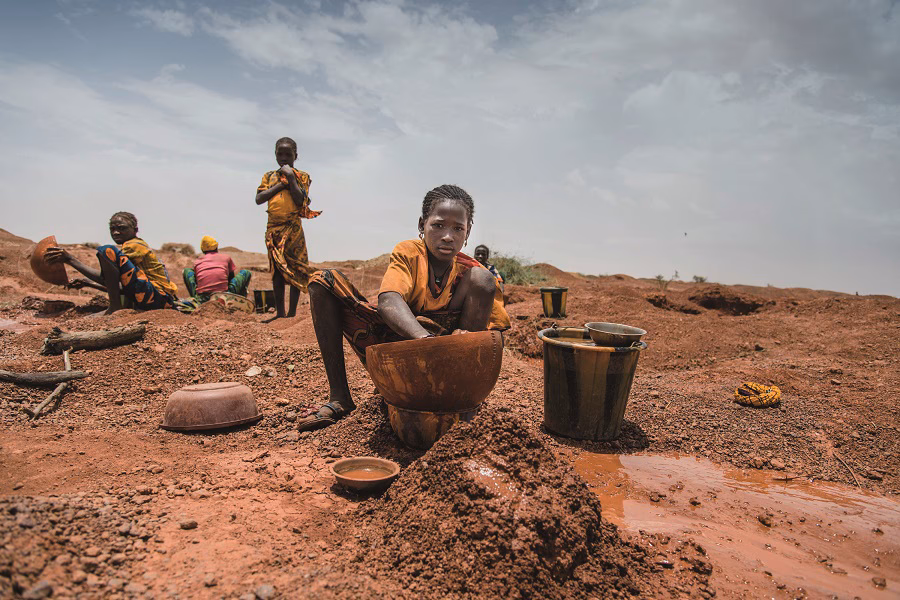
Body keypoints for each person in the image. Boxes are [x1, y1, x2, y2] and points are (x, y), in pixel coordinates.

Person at [297, 184, 509, 432]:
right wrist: (426, 340)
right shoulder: (409, 253)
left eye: (458, 228)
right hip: (397, 346)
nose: (448, 236)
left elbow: (495, 337)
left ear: (468, 231)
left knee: (483, 280)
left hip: (448, 361)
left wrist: (464, 340)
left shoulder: (471, 272)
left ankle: (459, 399)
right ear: (422, 225)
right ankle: (339, 397)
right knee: (323, 282)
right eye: (438, 225)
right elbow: (388, 302)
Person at [44, 212, 178, 314]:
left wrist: (70, 259)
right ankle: (116, 306)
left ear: (135, 230)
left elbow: (109, 280)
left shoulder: (133, 246)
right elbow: (122, 286)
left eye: (121, 228)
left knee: (106, 251)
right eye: (112, 228)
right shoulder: (135, 246)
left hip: (158, 298)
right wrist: (88, 282)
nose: (116, 232)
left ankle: (114, 307)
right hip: (160, 300)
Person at [255, 137, 321, 322]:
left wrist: (291, 178)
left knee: (296, 267)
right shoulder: (269, 177)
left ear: (295, 156)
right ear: (275, 154)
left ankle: (292, 313)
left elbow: (301, 200)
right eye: (280, 153)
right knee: (277, 269)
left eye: (288, 154)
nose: (283, 157)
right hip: (274, 228)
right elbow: (259, 199)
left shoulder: (302, 176)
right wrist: (280, 184)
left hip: (293, 228)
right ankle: (280, 313)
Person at [182, 236, 252, 303]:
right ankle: (239, 300)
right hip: (223, 297)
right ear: (216, 247)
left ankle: (195, 299)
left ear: (202, 250)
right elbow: (231, 278)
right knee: (245, 272)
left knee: (187, 271)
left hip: (202, 298)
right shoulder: (226, 258)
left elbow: (198, 281)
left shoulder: (197, 262)